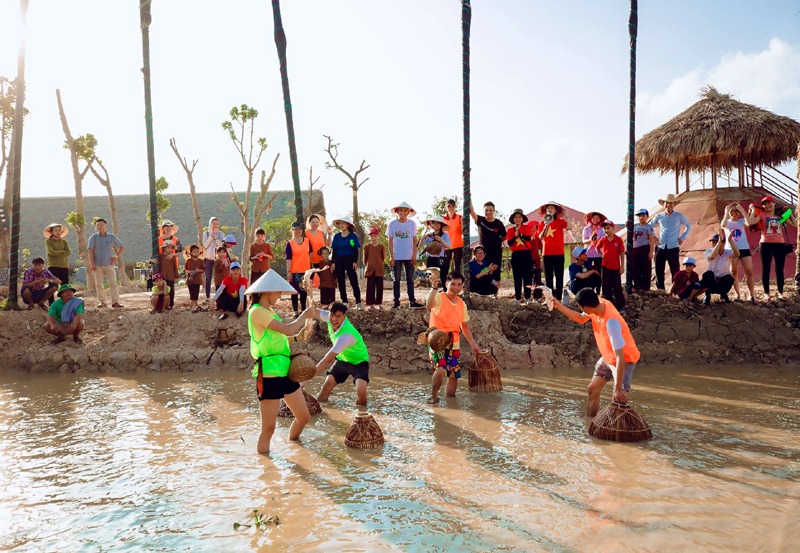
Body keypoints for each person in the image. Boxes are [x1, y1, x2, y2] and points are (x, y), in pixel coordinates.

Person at [244, 269, 315, 455]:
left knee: (304, 417)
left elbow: (282, 339)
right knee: (268, 429)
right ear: (267, 291)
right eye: (278, 292)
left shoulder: (269, 311)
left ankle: (296, 448)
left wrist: (299, 337)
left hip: (285, 371)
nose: (280, 296)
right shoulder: (256, 311)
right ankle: (266, 467)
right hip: (268, 374)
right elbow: (287, 329)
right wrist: (304, 317)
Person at [550, 287, 640, 417]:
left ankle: (622, 429)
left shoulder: (611, 323)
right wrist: (558, 306)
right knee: (592, 389)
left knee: (619, 398)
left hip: (625, 360)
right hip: (608, 356)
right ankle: (590, 423)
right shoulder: (598, 304)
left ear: (585, 307)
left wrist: (618, 388)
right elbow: (581, 318)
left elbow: (620, 357)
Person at [426, 271, 483, 404]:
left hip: (454, 342)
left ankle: (451, 403)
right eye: (453, 284)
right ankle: (434, 397)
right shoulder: (440, 297)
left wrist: (474, 345)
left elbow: (465, 327)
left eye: (459, 284)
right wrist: (434, 288)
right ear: (446, 284)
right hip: (437, 341)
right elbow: (429, 305)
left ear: (462, 285)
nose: (456, 287)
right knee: (440, 369)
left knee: (453, 375)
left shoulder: (462, 304)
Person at [311, 302, 371, 406]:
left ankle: (362, 414)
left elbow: (327, 360)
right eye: (332, 315)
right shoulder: (329, 317)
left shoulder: (346, 335)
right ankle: (319, 408)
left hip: (359, 362)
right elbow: (312, 311)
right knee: (326, 386)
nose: (334, 319)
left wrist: (307, 379)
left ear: (344, 316)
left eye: (338, 316)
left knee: (361, 392)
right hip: (342, 360)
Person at [752, 195, 796, 300]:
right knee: (765, 269)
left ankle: (780, 292)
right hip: (765, 244)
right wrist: (752, 211)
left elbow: (794, 224)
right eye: (765, 204)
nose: (767, 205)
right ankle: (766, 293)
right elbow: (752, 222)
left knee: (779, 269)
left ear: (774, 203)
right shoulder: (762, 214)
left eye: (769, 203)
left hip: (779, 244)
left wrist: (790, 213)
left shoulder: (780, 216)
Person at [651, 193, 692, 290]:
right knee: (659, 269)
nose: (669, 205)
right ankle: (661, 289)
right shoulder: (659, 216)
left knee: (675, 270)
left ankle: (675, 290)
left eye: (671, 203)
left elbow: (689, 226)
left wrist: (682, 237)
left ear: (674, 205)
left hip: (673, 247)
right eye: (667, 203)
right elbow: (649, 226)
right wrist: (654, 237)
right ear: (664, 204)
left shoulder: (679, 216)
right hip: (660, 246)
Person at [387, 202, 422, 309]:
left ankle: (412, 301)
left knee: (410, 280)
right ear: (397, 212)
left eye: (405, 211)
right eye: (401, 210)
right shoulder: (392, 224)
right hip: (397, 256)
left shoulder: (412, 224)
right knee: (396, 280)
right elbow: (390, 241)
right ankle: (396, 301)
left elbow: (415, 240)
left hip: (409, 256)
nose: (403, 213)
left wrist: (414, 255)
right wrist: (391, 256)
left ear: (408, 212)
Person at [690, 230, 739, 305]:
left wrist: (730, 241)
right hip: (711, 280)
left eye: (715, 242)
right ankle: (707, 295)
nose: (713, 244)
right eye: (713, 242)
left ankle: (723, 294)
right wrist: (719, 242)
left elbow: (737, 254)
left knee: (729, 278)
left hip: (721, 279)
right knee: (708, 275)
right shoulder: (708, 251)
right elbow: (712, 256)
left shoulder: (728, 252)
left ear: (723, 243)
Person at [721, 202, 757, 302]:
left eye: (736, 211)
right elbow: (723, 225)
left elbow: (749, 222)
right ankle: (737, 294)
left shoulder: (741, 221)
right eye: (732, 211)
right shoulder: (727, 222)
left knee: (749, 271)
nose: (734, 213)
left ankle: (752, 294)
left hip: (744, 248)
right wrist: (726, 211)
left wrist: (742, 210)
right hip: (731, 249)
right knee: (734, 272)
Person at [87, 217, 125, 309]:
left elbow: (122, 247)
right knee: (99, 284)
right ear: (96, 227)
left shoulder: (111, 237)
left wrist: (116, 257)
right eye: (98, 225)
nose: (100, 226)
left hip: (109, 264)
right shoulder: (93, 237)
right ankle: (102, 301)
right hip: (97, 265)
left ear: (105, 226)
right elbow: (90, 251)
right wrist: (92, 263)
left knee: (113, 283)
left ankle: (115, 301)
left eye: (101, 225)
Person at [537, 201, 569, 302]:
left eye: (552, 208)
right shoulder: (542, 222)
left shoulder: (560, 221)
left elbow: (570, 227)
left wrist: (567, 216)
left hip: (559, 253)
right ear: (545, 210)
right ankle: (550, 299)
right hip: (547, 254)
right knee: (548, 277)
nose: (550, 209)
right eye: (548, 208)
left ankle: (558, 298)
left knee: (559, 277)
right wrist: (546, 225)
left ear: (555, 211)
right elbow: (540, 237)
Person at [469, 200, 506, 283]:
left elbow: (504, 236)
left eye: (490, 210)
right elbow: (471, 211)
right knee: (483, 272)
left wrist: (496, 242)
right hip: (482, 253)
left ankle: (495, 294)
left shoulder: (498, 223)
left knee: (496, 273)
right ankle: (483, 292)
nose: (488, 212)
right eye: (486, 210)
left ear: (494, 211)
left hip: (496, 252)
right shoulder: (480, 220)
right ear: (483, 211)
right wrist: (469, 198)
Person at [330, 216, 363, 309]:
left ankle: (358, 302)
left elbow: (355, 249)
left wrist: (355, 262)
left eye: (343, 223)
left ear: (348, 225)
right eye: (340, 223)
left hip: (350, 260)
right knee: (341, 281)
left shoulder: (353, 236)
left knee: (353, 281)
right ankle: (344, 301)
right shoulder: (336, 236)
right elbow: (334, 250)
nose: (341, 225)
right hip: (339, 260)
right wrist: (333, 262)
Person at [596, 220, 626, 313]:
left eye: (608, 228)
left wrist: (622, 266)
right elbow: (597, 248)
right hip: (605, 266)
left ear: (613, 228)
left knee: (617, 287)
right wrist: (602, 254)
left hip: (616, 267)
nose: (606, 230)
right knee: (606, 287)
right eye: (605, 228)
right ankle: (609, 305)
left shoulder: (618, 239)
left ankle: (621, 306)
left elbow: (622, 253)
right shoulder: (603, 240)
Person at [506, 208, 534, 304]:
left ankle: (528, 297)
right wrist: (515, 235)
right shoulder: (510, 230)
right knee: (517, 277)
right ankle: (517, 298)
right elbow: (510, 243)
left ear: (522, 218)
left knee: (528, 277)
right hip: (516, 255)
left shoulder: (526, 228)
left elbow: (528, 238)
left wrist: (520, 234)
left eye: (519, 217)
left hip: (526, 254)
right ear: (513, 219)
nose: (517, 219)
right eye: (516, 217)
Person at [420, 216, 451, 289]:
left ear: (441, 225)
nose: (436, 225)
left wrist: (441, 240)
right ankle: (433, 292)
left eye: (438, 224)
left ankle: (445, 292)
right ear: (431, 225)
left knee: (443, 276)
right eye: (434, 223)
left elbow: (450, 247)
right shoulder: (429, 235)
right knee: (432, 277)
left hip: (441, 258)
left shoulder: (445, 235)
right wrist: (422, 239)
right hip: (431, 258)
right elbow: (420, 246)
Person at [631, 208, 656, 292]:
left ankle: (645, 287)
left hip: (644, 248)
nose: (641, 217)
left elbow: (651, 239)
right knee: (635, 268)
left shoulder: (649, 227)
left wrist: (651, 252)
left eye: (643, 216)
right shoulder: (634, 226)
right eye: (639, 216)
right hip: (635, 249)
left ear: (647, 216)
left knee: (645, 268)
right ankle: (637, 285)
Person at [43, 223, 71, 295]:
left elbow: (68, 252)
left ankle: (65, 303)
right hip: (53, 266)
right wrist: (62, 251)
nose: (58, 232)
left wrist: (57, 253)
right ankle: (51, 303)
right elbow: (51, 252)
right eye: (56, 230)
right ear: (51, 232)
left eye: (59, 230)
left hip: (64, 266)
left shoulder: (64, 242)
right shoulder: (48, 241)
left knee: (65, 286)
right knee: (52, 285)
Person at [202, 217, 225, 300]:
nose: (215, 225)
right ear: (210, 224)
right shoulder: (206, 233)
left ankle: (218, 296)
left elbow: (221, 246)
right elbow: (204, 245)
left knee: (218, 277)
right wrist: (211, 236)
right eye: (213, 223)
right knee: (208, 277)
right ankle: (207, 297)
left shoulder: (221, 234)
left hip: (218, 259)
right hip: (208, 258)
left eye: (216, 224)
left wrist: (215, 237)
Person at [363, 228, 385, 310]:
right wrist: (369, 265)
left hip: (379, 270)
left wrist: (378, 263)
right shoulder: (367, 247)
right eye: (371, 236)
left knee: (379, 287)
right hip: (370, 270)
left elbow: (383, 257)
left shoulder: (381, 247)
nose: (373, 238)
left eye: (375, 236)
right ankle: (370, 304)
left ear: (378, 236)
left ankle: (379, 303)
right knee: (370, 287)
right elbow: (365, 258)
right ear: (369, 237)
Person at [442, 199, 464, 281]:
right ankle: (446, 285)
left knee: (457, 266)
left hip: (458, 245)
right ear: (446, 207)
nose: (451, 207)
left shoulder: (459, 217)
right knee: (445, 266)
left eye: (452, 206)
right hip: (447, 246)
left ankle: (457, 284)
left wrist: (462, 223)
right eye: (449, 206)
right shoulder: (443, 219)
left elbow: (462, 232)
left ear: (455, 207)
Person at [154, 241, 178, 309]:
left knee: (171, 291)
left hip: (171, 276)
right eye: (168, 248)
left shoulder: (173, 257)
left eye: (171, 248)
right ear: (164, 248)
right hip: (163, 276)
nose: (170, 249)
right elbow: (154, 261)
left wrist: (176, 276)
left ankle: (171, 304)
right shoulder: (160, 256)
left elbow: (174, 267)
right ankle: (162, 304)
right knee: (162, 290)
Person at [582, 211, 606, 276]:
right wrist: (590, 240)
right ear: (591, 219)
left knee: (598, 272)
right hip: (587, 254)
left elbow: (604, 242)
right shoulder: (586, 229)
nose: (595, 219)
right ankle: (588, 285)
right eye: (594, 218)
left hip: (598, 254)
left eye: (598, 218)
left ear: (600, 220)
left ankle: (598, 286)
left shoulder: (602, 230)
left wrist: (597, 240)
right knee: (587, 271)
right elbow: (583, 241)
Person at [184, 243, 205, 312]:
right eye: (194, 252)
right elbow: (185, 269)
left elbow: (204, 270)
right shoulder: (188, 261)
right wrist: (189, 271)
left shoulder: (201, 261)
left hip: (197, 279)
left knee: (196, 292)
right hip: (190, 279)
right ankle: (195, 305)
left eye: (197, 252)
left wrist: (199, 270)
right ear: (191, 253)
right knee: (191, 292)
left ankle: (191, 305)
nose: (196, 253)